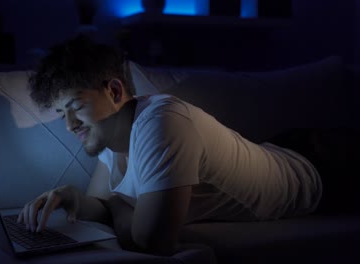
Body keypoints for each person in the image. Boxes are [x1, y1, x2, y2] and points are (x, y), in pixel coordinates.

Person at [18, 35, 323, 256]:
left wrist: (118, 205)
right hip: (278, 150)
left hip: (316, 171)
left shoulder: (161, 123)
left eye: (76, 106)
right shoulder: (108, 135)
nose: (70, 125)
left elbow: (151, 243)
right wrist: (72, 198)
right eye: (62, 115)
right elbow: (103, 205)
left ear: (113, 91)